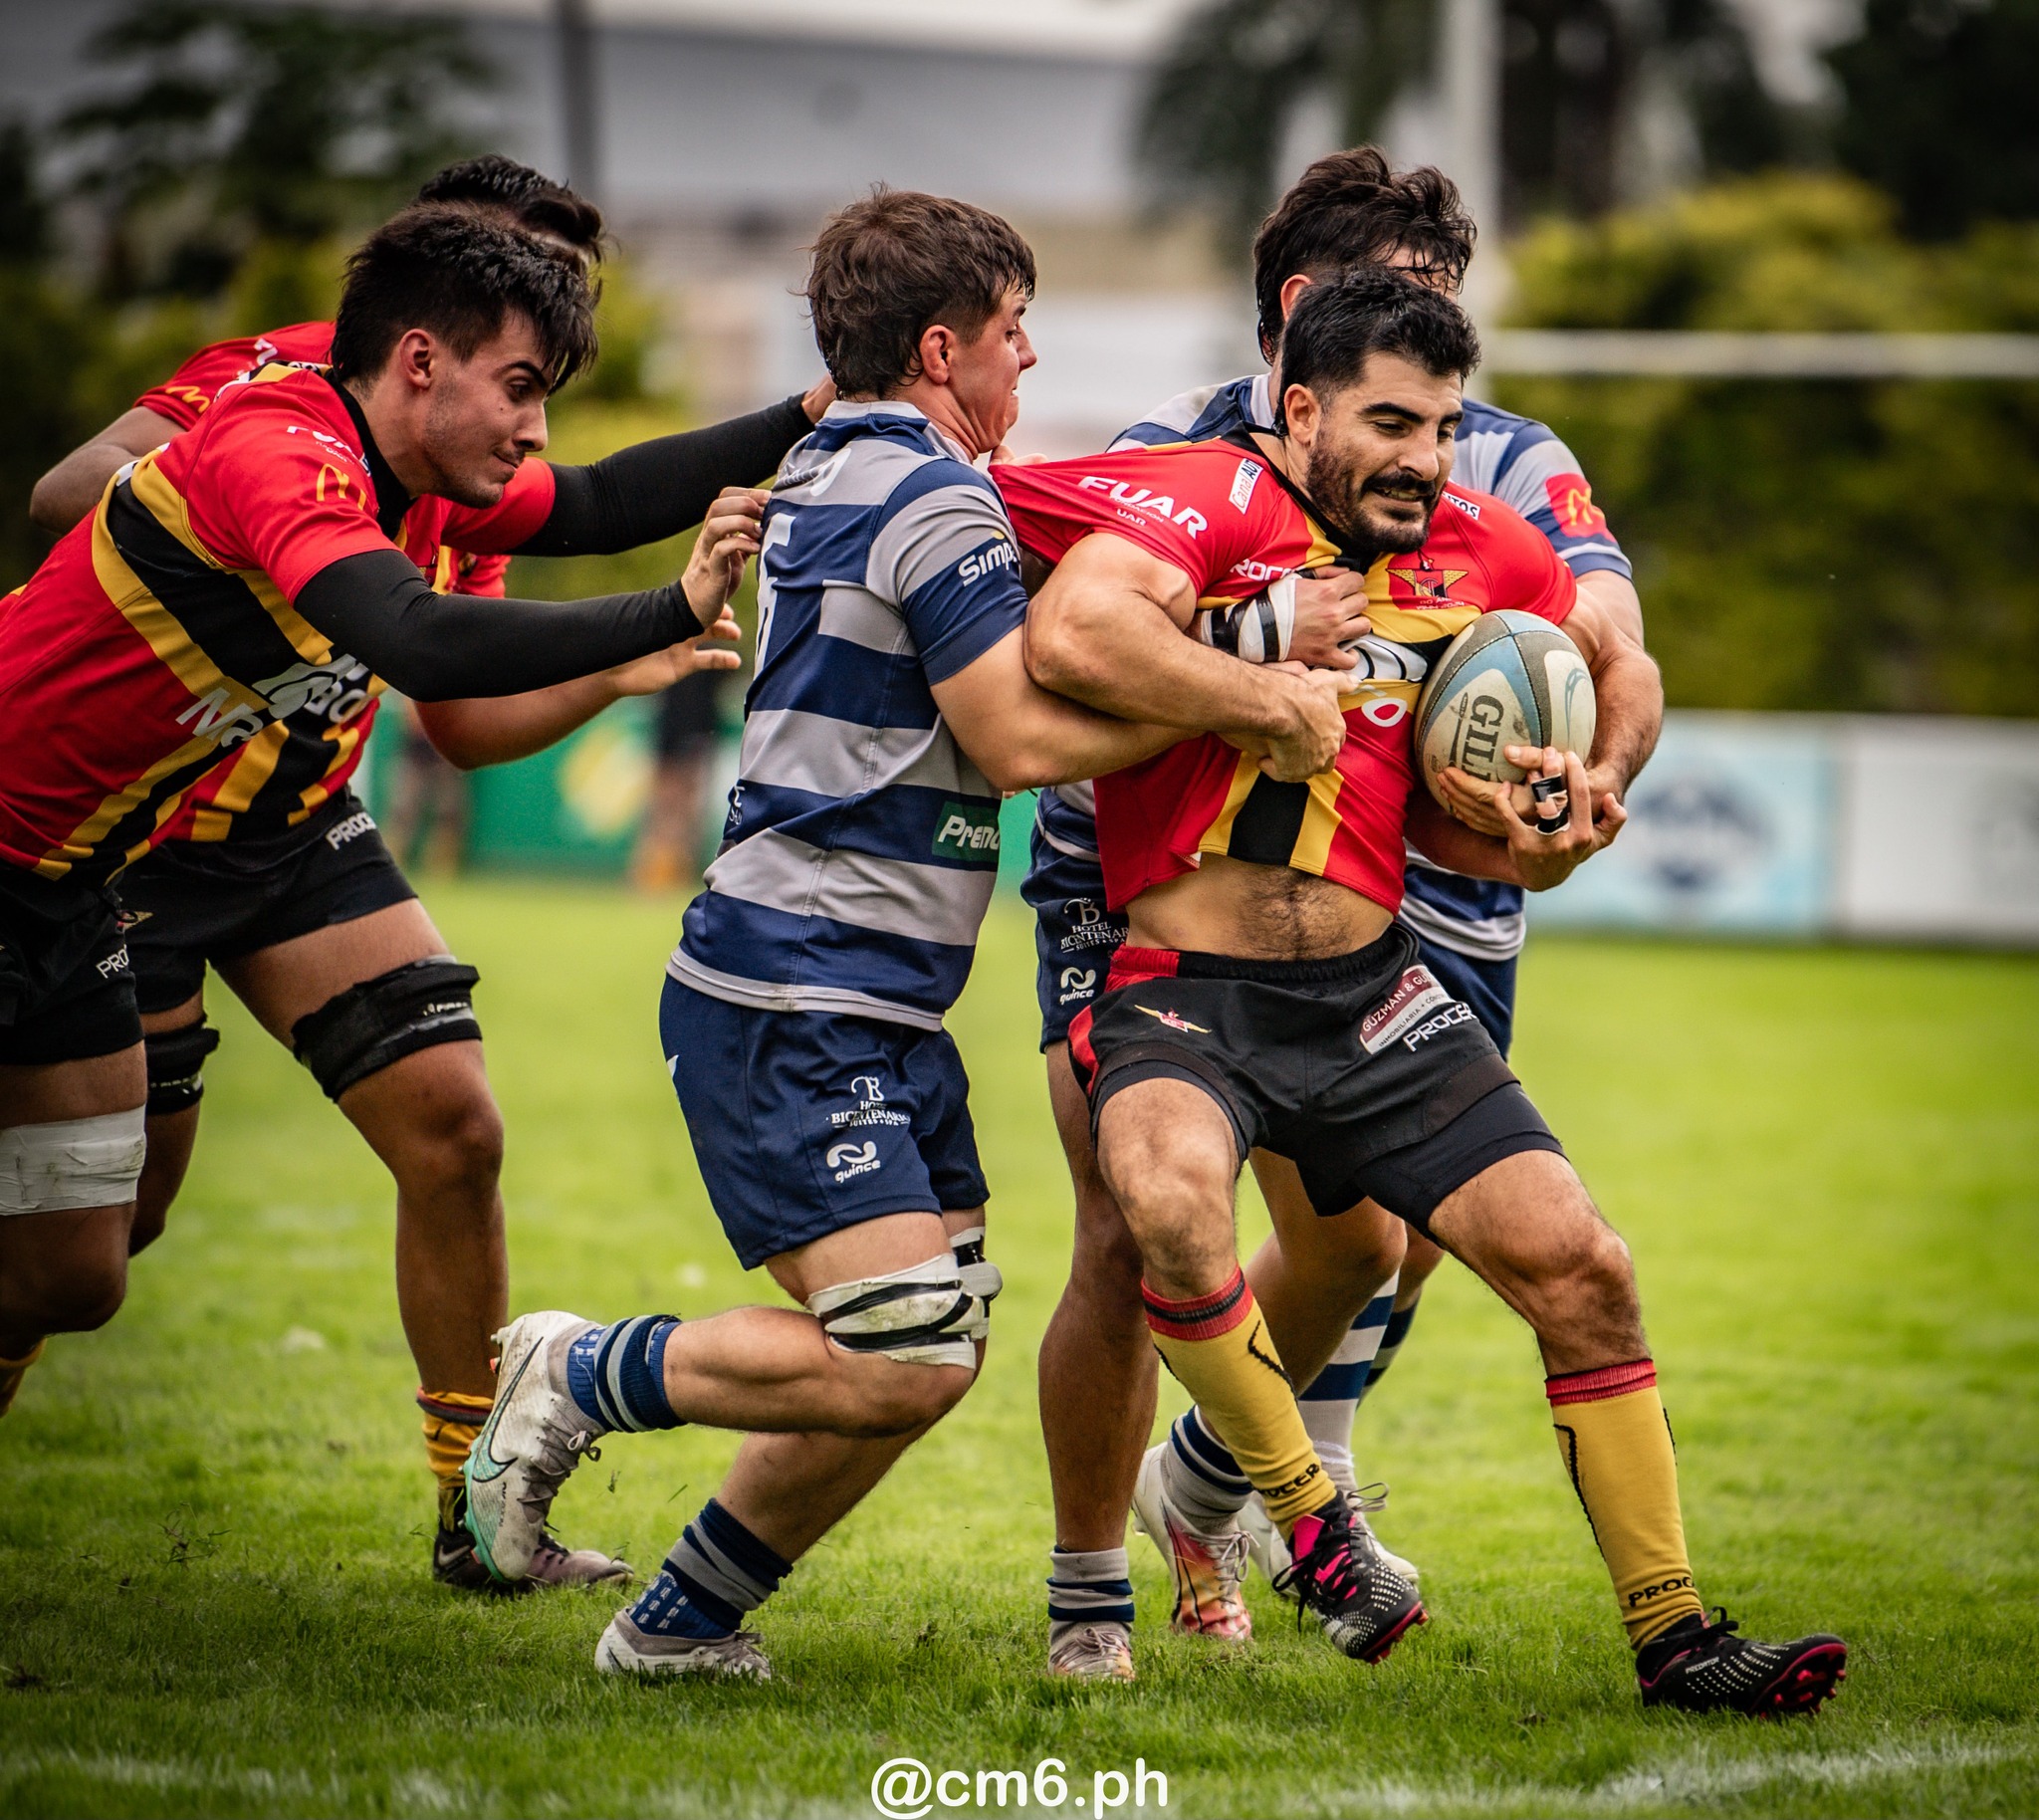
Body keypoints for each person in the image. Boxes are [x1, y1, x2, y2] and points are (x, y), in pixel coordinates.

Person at [459, 188, 1349, 1682]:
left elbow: (1020, 653)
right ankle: (579, 1368)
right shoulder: (930, 496)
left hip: (864, 992)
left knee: (922, 1352)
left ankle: (679, 1627)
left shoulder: (839, 461)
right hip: (802, 985)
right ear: (942, 348)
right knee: (906, 1351)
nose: (1032, 364)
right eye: (1014, 334)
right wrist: (1256, 684)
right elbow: (1012, 737)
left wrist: (1224, 652)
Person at [1001, 269, 1847, 1714]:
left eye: (1445, 429)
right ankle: (1314, 1531)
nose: (1424, 460)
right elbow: (1075, 639)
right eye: (1392, 424)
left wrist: (1564, 819)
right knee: (1163, 1205)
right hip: (1182, 986)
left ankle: (1678, 1635)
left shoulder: (1488, 550)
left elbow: (1560, 728)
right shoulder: (1201, 497)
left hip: (1377, 993)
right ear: (1304, 403)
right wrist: (1268, 684)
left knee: (1585, 1269)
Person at [0, 203, 814, 1597]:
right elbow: (418, 638)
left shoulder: (427, 457)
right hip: (127, 850)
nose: (538, 424)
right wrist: (196, 522)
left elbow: (590, 521)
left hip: (143, 863)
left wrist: (813, 405)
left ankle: (475, 1514)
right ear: (420, 347)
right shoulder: (277, 420)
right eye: (525, 380)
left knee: (99, 1264)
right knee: (105, 1231)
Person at [1022, 147, 1665, 1657]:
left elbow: (1610, 645)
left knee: (1384, 1245)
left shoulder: (1501, 453)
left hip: (1419, 888)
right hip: (1145, 897)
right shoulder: (1175, 451)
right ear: (1308, 328)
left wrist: (1586, 780)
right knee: (1133, 1225)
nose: (1443, 388)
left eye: (1446, 316)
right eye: (1405, 313)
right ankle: (1102, 1591)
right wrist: (1248, 664)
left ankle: (1225, 1486)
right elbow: (1081, 634)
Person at [630, 669, 728, 892]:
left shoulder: (691, 655)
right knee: (670, 814)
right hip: (678, 741)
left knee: (677, 815)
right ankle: (654, 877)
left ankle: (669, 876)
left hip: (684, 741)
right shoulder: (697, 657)